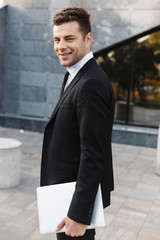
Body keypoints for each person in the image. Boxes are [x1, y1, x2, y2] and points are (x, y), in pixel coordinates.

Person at [40, 7, 115, 240]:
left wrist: (79, 215)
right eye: (57, 39)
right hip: (64, 194)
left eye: (69, 38)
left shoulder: (91, 83)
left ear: (88, 38)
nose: (61, 46)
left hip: (73, 203)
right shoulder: (74, 72)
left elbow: (93, 154)